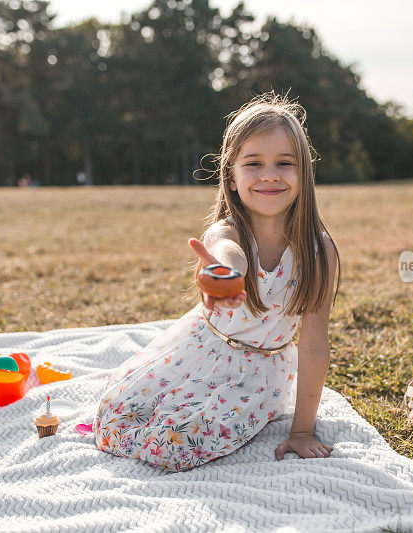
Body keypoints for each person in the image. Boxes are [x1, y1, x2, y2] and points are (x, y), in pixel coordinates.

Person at [93, 93, 341, 472]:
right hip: (199, 350)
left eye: (284, 163)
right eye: (254, 163)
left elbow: (314, 345)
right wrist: (223, 276)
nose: (269, 174)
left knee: (180, 444)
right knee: (118, 414)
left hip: (258, 372)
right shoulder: (227, 232)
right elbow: (228, 254)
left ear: (304, 172)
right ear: (232, 174)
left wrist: (303, 430)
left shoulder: (318, 250)